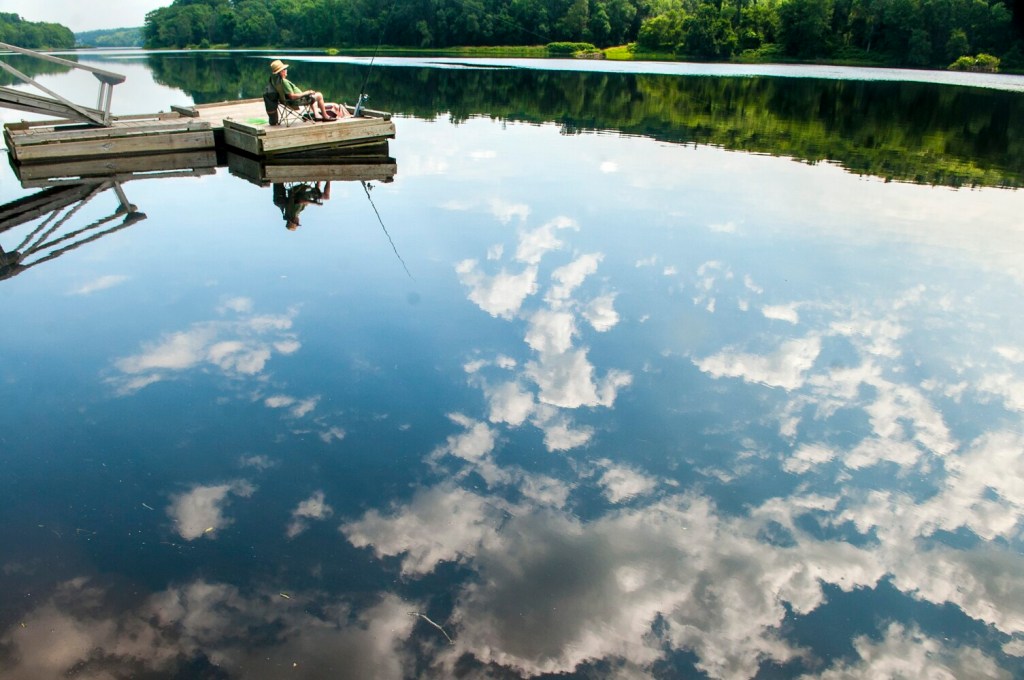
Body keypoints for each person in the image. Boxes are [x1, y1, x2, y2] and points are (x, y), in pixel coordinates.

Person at [269, 59, 349, 122]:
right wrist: (306, 93)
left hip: (290, 100)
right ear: (281, 71)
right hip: (297, 101)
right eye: (285, 69)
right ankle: (325, 116)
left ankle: (317, 115)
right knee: (319, 95)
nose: (286, 70)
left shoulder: (277, 82)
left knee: (312, 96)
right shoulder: (284, 82)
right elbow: (292, 96)